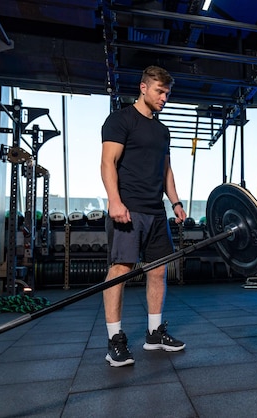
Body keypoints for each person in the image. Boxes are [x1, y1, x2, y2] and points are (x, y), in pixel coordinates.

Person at [100, 66, 187, 367]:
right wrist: (114, 201)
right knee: (120, 269)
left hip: (155, 210)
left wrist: (175, 202)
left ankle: (154, 333)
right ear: (143, 88)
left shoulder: (163, 130)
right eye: (160, 92)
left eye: (167, 93)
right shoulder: (120, 120)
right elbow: (107, 163)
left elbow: (166, 170)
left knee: (158, 271)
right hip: (128, 208)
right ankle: (114, 341)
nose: (165, 98)